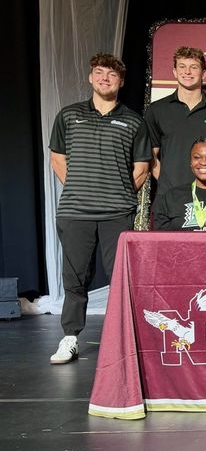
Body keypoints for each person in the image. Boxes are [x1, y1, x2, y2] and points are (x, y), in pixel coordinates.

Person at [48, 53, 151, 364]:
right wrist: (81, 188)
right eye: (99, 72)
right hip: (75, 212)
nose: (105, 78)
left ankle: (123, 338)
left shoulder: (133, 121)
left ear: (121, 81)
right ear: (90, 77)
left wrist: (117, 194)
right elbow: (58, 159)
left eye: (112, 74)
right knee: (75, 278)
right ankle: (70, 338)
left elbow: (142, 168)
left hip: (117, 213)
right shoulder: (69, 115)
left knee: (121, 278)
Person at [144, 46, 206, 198]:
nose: (187, 72)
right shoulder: (157, 110)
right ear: (174, 72)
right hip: (169, 197)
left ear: (204, 73)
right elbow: (150, 156)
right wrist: (166, 182)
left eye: (194, 67)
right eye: (182, 66)